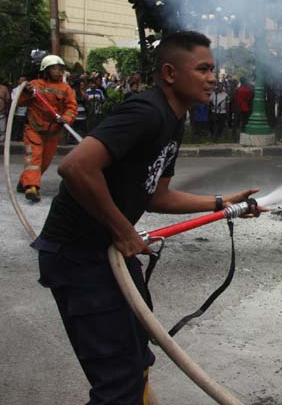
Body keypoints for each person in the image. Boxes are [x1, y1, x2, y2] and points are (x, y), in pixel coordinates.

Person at [31, 31, 262, 405]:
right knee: (118, 382)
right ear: (170, 73)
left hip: (108, 251)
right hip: (78, 256)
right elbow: (75, 167)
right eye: (202, 69)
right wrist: (123, 231)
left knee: (137, 355)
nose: (212, 77)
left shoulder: (172, 123)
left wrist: (221, 203)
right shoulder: (145, 112)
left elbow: (157, 195)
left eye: (213, 69)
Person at [17, 56, 78, 202]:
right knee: (35, 157)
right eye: (54, 68)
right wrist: (25, 91)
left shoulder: (66, 89)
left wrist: (66, 118)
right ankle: (32, 188)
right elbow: (20, 102)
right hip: (34, 128)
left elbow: (72, 107)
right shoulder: (34, 85)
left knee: (44, 162)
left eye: (60, 69)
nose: (58, 72)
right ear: (46, 70)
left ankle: (24, 182)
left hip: (53, 132)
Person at [11, 76, 28, 141]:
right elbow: (14, 99)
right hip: (17, 112)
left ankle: (23, 138)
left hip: (26, 112)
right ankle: (15, 137)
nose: (22, 82)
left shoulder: (30, 90)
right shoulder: (15, 90)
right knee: (17, 126)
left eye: (24, 80)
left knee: (24, 127)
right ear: (19, 81)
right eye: (21, 80)